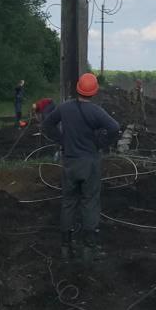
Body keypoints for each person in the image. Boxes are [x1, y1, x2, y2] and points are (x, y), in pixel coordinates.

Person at [41, 72, 120, 262]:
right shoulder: (96, 111)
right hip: (89, 163)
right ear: (94, 92)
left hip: (70, 162)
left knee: (68, 202)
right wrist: (101, 144)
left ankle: (65, 248)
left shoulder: (65, 108)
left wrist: (62, 141)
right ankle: (88, 248)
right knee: (89, 201)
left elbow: (47, 124)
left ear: (77, 88)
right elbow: (115, 128)